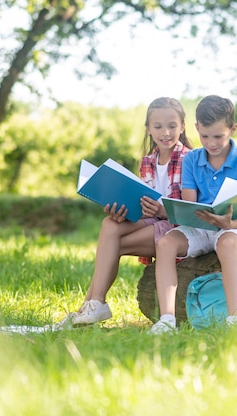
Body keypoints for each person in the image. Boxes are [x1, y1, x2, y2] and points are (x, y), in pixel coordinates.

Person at [58, 97, 192, 328]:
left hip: (176, 228)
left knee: (112, 246)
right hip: (151, 222)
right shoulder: (148, 161)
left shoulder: (190, 159)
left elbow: (190, 209)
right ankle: (94, 303)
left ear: (182, 126)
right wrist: (122, 209)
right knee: (110, 224)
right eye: (158, 126)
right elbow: (143, 206)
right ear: (148, 129)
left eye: (172, 125)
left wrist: (161, 210)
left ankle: (89, 305)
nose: (166, 132)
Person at [149, 95, 237, 334]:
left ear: (232, 129)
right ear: (197, 128)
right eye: (205, 136)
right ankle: (167, 320)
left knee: (227, 243)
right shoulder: (191, 159)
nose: (211, 143)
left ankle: (235, 319)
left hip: (232, 226)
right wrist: (190, 213)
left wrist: (230, 222)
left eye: (218, 136)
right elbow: (189, 203)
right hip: (200, 225)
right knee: (166, 243)